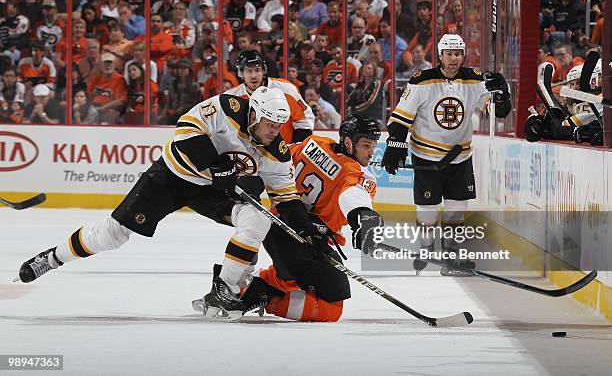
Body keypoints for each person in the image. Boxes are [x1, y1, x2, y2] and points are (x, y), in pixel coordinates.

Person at [16, 86, 317, 322]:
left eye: (280, 125)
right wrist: (217, 166)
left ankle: (224, 288)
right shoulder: (227, 107)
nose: (276, 131)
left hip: (211, 190)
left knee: (258, 219)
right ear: (254, 114)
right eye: (270, 124)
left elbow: (286, 198)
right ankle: (52, 258)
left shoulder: (277, 152)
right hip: (172, 176)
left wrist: (307, 230)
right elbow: (184, 131)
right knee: (112, 235)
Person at [231, 114, 383, 322]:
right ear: (348, 142)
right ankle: (260, 296)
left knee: (293, 276)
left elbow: (280, 160)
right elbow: (353, 196)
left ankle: (245, 289)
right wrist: (364, 217)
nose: (371, 152)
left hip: (277, 227)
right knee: (331, 307)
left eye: (373, 146)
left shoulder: (314, 143)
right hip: (306, 242)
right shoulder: (354, 175)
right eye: (366, 145)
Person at [381, 34, 511, 274]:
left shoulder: (474, 80)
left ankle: (452, 253)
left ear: (463, 56)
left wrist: (502, 95)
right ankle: (426, 245)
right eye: (449, 54)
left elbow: (493, 109)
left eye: (458, 53)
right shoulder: (422, 81)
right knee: (428, 209)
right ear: (440, 55)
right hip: (426, 156)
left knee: (456, 207)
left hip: (459, 156)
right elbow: (401, 117)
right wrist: (395, 143)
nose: (454, 58)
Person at [225, 50, 314, 143]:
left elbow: (304, 121)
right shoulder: (232, 97)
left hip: (285, 151)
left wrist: (294, 148)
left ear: (263, 71)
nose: (254, 75)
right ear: (241, 73)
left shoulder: (286, 89)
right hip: (248, 153)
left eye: (257, 70)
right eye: (249, 71)